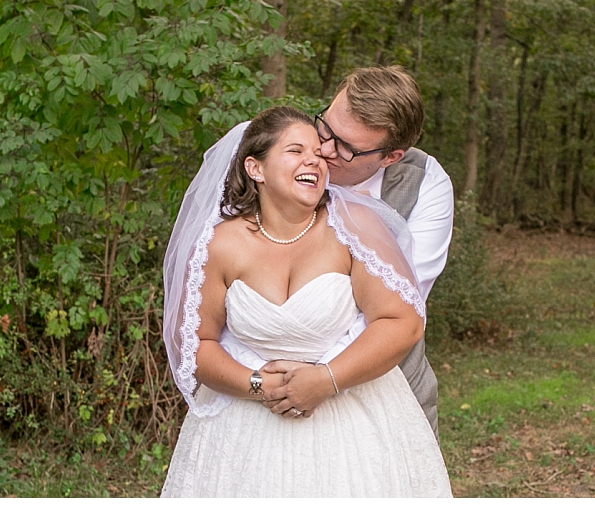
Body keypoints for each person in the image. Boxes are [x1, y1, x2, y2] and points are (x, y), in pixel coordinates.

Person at [161, 107, 451, 497]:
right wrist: (259, 386)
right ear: (255, 168)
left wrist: (325, 380)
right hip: (241, 433)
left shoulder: (355, 228)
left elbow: (402, 322)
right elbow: (196, 344)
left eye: (318, 152)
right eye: (296, 150)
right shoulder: (219, 245)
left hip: (353, 426)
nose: (314, 158)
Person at [219, 66, 453, 436]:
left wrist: (319, 377)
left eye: (345, 147)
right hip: (257, 399)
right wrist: (262, 376)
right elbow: (229, 286)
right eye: (325, 127)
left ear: (390, 156)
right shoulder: (273, 163)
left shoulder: (426, 184)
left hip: (382, 395)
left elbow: (400, 303)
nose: (324, 150)